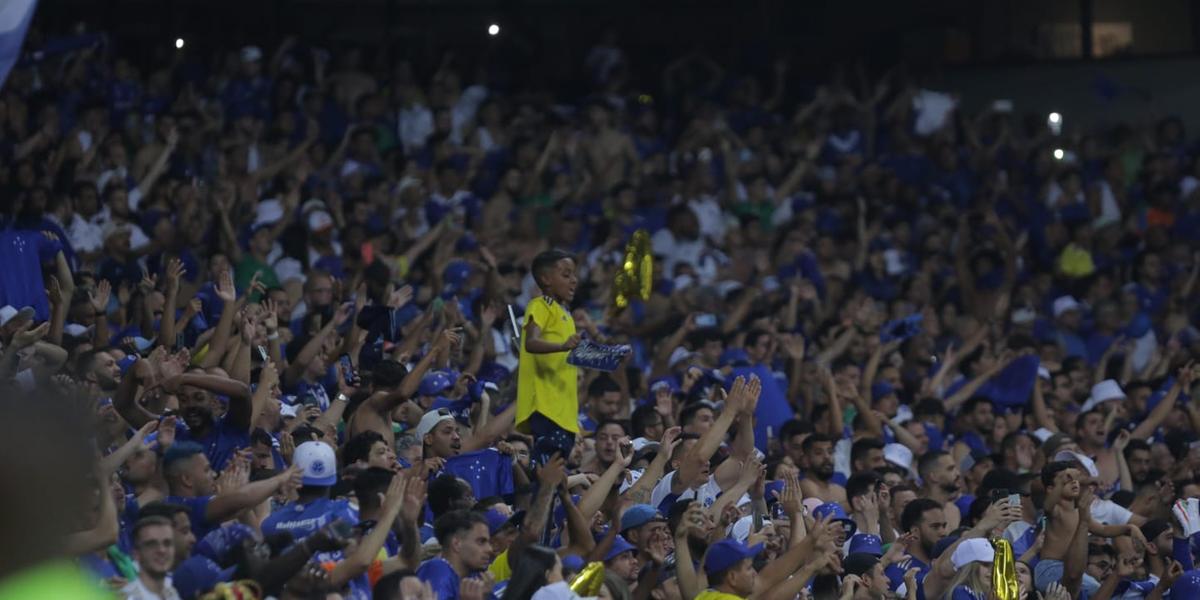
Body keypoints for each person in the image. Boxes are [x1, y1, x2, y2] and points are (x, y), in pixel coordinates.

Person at [516, 249, 582, 465]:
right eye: (566, 274)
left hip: (565, 413)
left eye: (574, 274)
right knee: (546, 474)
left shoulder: (565, 314)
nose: (574, 280)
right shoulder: (540, 305)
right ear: (545, 279)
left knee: (555, 474)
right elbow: (531, 342)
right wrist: (562, 345)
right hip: (547, 407)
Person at [416, 509, 492, 600]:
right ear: (457, 544)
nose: (489, 549)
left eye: (489, 542)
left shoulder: (474, 577)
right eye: (481, 542)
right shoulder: (438, 571)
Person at [124, 516, 182, 600]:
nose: (161, 550)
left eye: (167, 543)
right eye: (152, 544)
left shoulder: (172, 592)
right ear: (136, 554)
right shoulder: (129, 597)